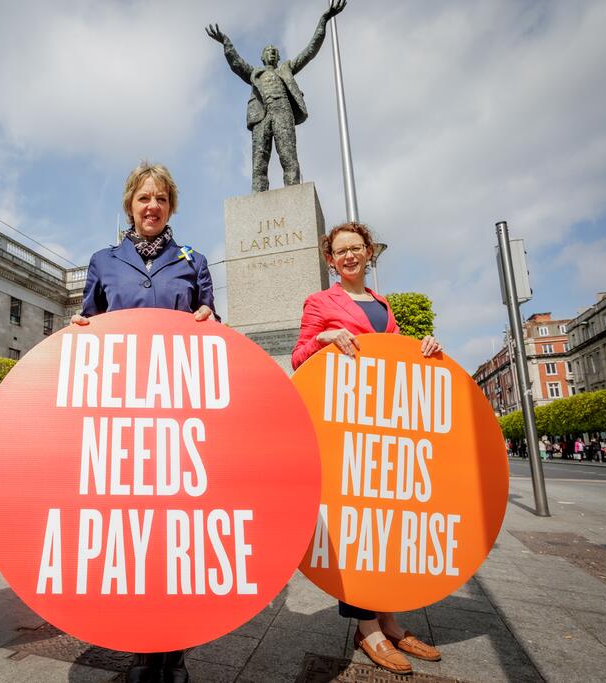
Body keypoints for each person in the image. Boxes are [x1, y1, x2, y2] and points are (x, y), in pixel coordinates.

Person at [72, 161, 216, 683]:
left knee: (175, 529)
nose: (150, 206)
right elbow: (91, 319)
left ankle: (174, 650)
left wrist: (208, 320)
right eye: (141, 199)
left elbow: (210, 325)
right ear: (130, 207)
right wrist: (80, 327)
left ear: (170, 206)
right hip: (122, 413)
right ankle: (139, 645)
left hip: (177, 412)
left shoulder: (193, 260)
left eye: (159, 198)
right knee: (132, 527)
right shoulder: (104, 261)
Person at [291, 221, 442, 675]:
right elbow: (299, 357)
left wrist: (425, 348)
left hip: (383, 429)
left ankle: (391, 620)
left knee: (385, 525)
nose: (350, 256)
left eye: (357, 248)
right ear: (331, 260)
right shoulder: (320, 302)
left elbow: (392, 362)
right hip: (345, 430)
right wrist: (325, 338)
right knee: (354, 528)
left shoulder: (382, 305)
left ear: (369, 252)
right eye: (341, 251)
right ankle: (367, 628)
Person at [205, 0, 346, 191]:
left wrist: (323, 21)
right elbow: (236, 63)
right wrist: (226, 43)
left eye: (274, 52)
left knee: (288, 155)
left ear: (278, 58)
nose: (271, 54)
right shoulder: (255, 73)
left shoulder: (286, 69)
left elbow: (310, 51)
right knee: (259, 160)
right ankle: (258, 194)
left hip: (282, 112)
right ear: (262, 57)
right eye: (268, 52)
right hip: (261, 115)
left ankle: (294, 191)